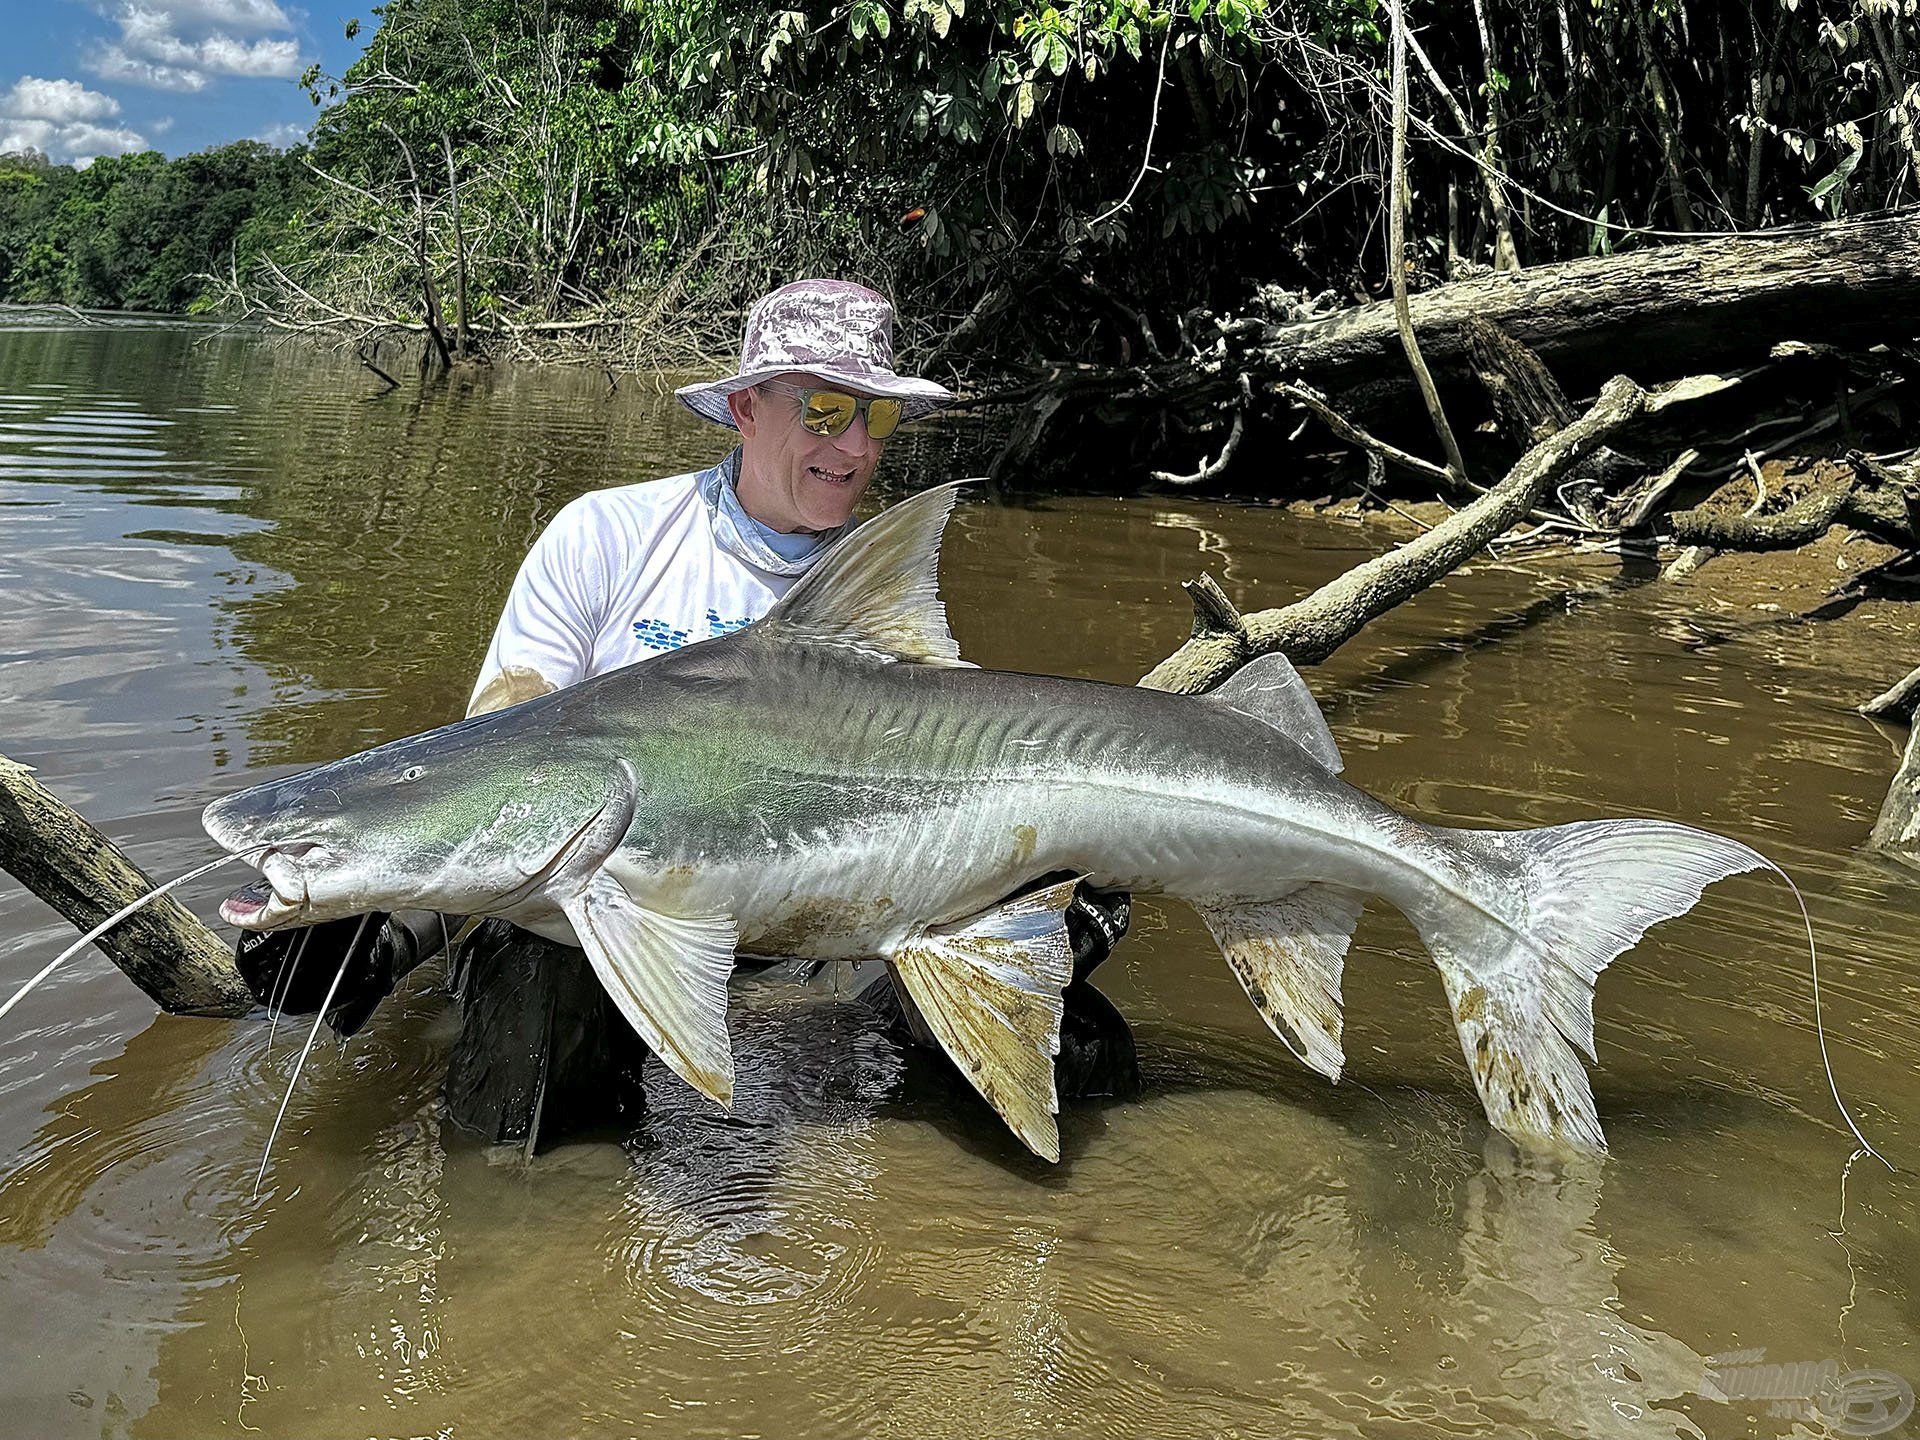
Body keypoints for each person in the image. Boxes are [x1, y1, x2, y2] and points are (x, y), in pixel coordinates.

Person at [233, 278, 1136, 1149]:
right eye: (824, 410)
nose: (856, 447)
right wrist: (384, 928)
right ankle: (526, 1256)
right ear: (745, 409)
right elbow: (509, 785)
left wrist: (1038, 892)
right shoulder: (606, 538)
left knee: (1080, 1047)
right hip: (602, 925)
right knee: (539, 1020)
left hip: (821, 930)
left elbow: (949, 807)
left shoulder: (881, 589)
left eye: (878, 415)